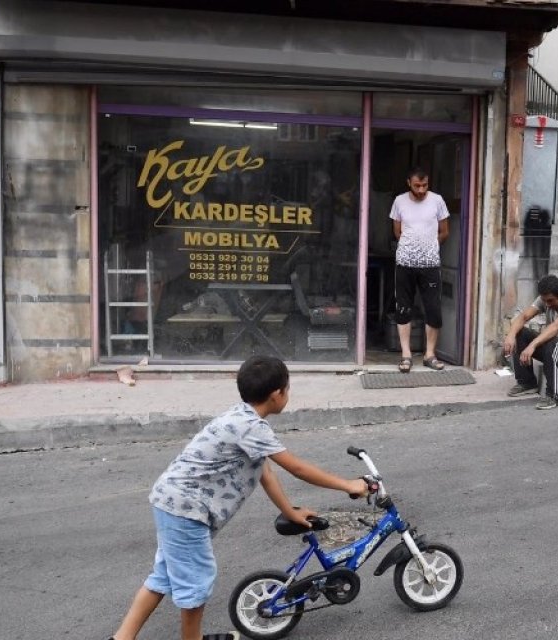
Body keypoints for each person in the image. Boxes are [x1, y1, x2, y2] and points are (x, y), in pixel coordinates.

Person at [108, 355, 369, 640]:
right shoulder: (252, 427)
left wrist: (290, 511)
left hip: (172, 503)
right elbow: (295, 467)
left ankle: (123, 637)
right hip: (186, 509)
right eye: (288, 389)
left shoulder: (240, 416)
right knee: (196, 582)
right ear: (276, 395)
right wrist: (348, 485)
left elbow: (264, 473)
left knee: (165, 575)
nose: (288, 394)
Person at [390, 167, 451, 373]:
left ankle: (429, 355)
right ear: (409, 183)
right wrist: (412, 246)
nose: (421, 189)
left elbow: (444, 231)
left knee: (433, 309)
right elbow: (397, 231)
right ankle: (406, 355)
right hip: (405, 264)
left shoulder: (437, 200)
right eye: (417, 185)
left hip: (430, 265)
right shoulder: (399, 201)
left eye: (425, 185)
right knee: (403, 308)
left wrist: (430, 246)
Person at [503, 274, 558, 410]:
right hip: (553, 349)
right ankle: (527, 383)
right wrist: (511, 335)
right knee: (520, 332)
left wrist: (532, 345)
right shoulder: (544, 299)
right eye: (545, 301)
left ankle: (556, 395)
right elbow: (524, 316)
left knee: (554, 341)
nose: (547, 305)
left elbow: (556, 327)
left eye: (551, 301)